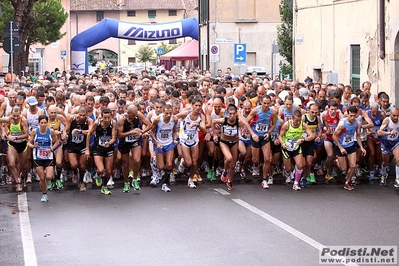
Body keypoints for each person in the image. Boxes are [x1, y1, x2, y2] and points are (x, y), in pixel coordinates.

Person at [212, 105, 248, 190]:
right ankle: (225, 171)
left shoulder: (239, 122)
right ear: (227, 114)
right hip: (224, 142)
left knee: (233, 165)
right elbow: (213, 121)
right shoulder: (223, 120)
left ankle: (230, 180)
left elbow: (244, 133)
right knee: (228, 158)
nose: (232, 116)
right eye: (230, 114)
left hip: (234, 142)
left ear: (236, 114)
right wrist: (214, 134)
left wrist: (244, 135)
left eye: (233, 114)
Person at [117, 105, 152, 192]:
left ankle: (135, 179)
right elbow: (119, 135)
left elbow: (149, 125)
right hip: (124, 141)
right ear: (127, 113)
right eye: (132, 115)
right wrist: (131, 132)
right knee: (125, 164)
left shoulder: (138, 115)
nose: (134, 116)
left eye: (135, 114)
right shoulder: (122, 119)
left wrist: (141, 132)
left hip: (135, 140)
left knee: (137, 160)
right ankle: (126, 182)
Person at [246, 95, 277, 189]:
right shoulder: (256, 110)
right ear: (261, 102)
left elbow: (274, 123)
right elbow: (246, 122)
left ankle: (264, 180)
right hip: (255, 136)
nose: (266, 105)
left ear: (271, 103)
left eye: (268, 103)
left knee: (268, 159)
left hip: (264, 136)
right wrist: (252, 134)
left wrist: (269, 132)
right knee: (255, 159)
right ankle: (255, 166)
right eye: (264, 103)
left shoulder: (273, 112)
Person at [279, 110, 315, 191]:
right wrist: (282, 144)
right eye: (296, 121)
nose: (298, 123)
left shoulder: (303, 125)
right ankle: (287, 172)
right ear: (292, 119)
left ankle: (296, 183)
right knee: (288, 169)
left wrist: (303, 139)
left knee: (300, 165)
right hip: (287, 148)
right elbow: (280, 136)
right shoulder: (286, 124)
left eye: (299, 120)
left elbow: (312, 136)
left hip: (296, 147)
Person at [332, 106, 366, 191]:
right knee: (343, 168)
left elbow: (358, 136)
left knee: (353, 165)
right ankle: (336, 162)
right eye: (350, 115)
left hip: (350, 145)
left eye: (354, 116)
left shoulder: (357, 123)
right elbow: (334, 136)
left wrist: (361, 147)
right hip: (341, 145)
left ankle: (347, 182)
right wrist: (340, 148)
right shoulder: (342, 124)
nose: (352, 118)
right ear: (347, 114)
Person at [176, 96, 207, 188]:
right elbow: (174, 117)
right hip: (184, 139)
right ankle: (182, 163)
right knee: (188, 163)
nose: (198, 107)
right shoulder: (186, 114)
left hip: (194, 140)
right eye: (196, 105)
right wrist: (176, 131)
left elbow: (204, 130)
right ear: (192, 105)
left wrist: (198, 125)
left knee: (195, 162)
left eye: (200, 105)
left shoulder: (201, 116)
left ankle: (190, 179)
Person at [28, 115, 60, 202]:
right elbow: (29, 143)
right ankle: (44, 194)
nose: (43, 124)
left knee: (49, 176)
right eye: (41, 123)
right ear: (39, 123)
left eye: (45, 123)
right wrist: (33, 146)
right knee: (41, 177)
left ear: (47, 123)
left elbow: (57, 142)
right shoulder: (35, 131)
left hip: (48, 157)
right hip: (38, 157)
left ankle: (49, 181)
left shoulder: (51, 131)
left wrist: (51, 149)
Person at [63, 106, 93, 191]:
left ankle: (81, 182)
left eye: (84, 115)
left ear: (87, 115)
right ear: (77, 114)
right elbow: (66, 129)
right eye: (80, 115)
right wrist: (65, 134)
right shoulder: (71, 118)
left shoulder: (89, 121)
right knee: (74, 165)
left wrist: (80, 131)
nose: (82, 117)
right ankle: (75, 173)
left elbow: (90, 132)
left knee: (82, 166)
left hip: (83, 145)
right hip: (72, 145)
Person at [87, 108, 117, 195]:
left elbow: (114, 137)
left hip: (108, 148)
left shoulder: (113, 123)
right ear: (101, 117)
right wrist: (87, 149)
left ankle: (104, 187)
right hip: (98, 148)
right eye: (105, 118)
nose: (107, 120)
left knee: (108, 170)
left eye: (109, 117)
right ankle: (98, 174)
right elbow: (89, 134)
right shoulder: (97, 123)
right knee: (100, 169)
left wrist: (110, 142)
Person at [0, 107, 29, 192]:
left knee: (23, 166)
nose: (15, 118)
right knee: (11, 164)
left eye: (17, 116)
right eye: (14, 116)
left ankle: (23, 177)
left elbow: (26, 135)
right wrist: (3, 131)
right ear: (11, 114)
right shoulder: (7, 119)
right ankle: (17, 182)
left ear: (20, 114)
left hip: (22, 144)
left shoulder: (23, 120)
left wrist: (15, 137)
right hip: (12, 144)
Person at [150, 104, 178, 192]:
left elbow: (174, 131)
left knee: (169, 164)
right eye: (166, 113)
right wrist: (156, 142)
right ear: (163, 112)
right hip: (160, 143)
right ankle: (155, 164)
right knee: (161, 166)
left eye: (170, 113)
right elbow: (151, 131)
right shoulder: (158, 119)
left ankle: (165, 183)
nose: (169, 115)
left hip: (169, 143)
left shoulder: (174, 119)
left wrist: (175, 139)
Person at [377, 107, 399, 187]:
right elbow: (379, 132)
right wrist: (389, 133)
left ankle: (397, 179)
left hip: (395, 143)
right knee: (385, 162)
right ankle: (383, 174)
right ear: (390, 114)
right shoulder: (387, 120)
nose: (396, 118)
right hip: (386, 144)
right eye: (394, 116)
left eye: (397, 115)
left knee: (398, 159)